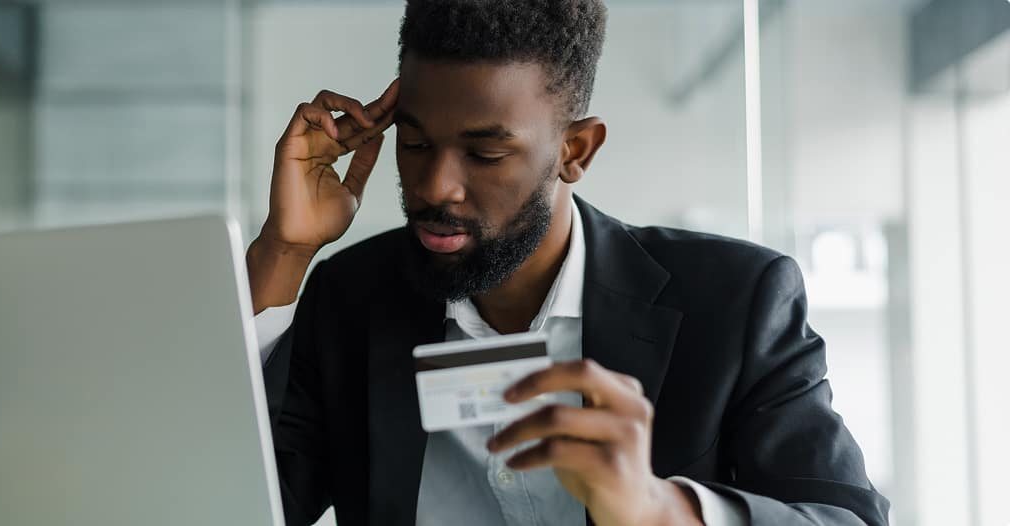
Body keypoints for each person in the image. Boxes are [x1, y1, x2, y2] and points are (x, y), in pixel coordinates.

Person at [246, 1, 889, 525]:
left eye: (486, 154)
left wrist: (659, 511)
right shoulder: (350, 301)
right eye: (413, 143)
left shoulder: (737, 303)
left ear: (575, 151)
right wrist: (286, 249)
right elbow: (233, 503)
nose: (437, 185)